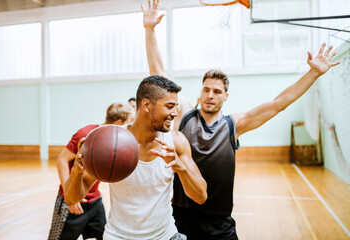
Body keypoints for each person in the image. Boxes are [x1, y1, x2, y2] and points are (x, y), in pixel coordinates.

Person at [142, 0, 340, 239]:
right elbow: (159, 74)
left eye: (216, 92)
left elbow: (278, 103)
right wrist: (150, 30)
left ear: (226, 97)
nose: (210, 95)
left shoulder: (233, 124)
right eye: (206, 90)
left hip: (219, 219)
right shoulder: (184, 115)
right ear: (200, 92)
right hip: (183, 214)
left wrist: (313, 73)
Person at [63, 75, 208, 240]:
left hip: (165, 235)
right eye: (169, 106)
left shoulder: (176, 142)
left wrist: (181, 169)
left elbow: (201, 196)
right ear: (146, 104)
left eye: (176, 107)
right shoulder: (112, 142)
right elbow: (72, 198)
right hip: (119, 236)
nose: (174, 113)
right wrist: (77, 170)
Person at [48, 103, 135, 240]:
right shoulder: (86, 134)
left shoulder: (116, 141)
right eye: (128, 123)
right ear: (119, 123)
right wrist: (68, 194)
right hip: (71, 202)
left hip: (95, 201)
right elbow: (62, 160)